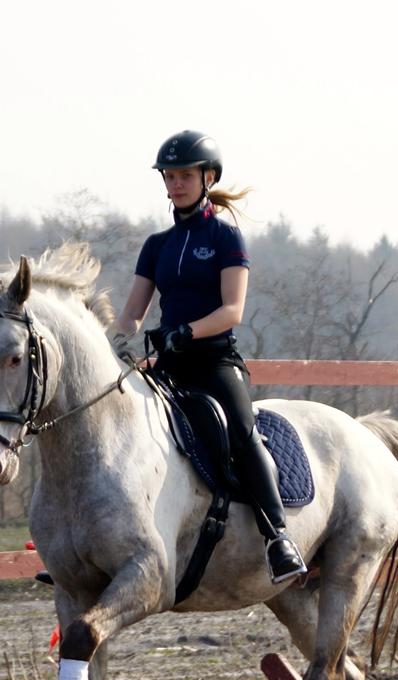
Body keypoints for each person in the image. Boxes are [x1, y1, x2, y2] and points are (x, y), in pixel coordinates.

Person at [110, 130, 307, 584]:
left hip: (214, 362)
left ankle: (278, 537)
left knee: (240, 433)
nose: (175, 184)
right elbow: (132, 315)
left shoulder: (224, 236)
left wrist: (186, 332)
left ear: (208, 177)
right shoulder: (156, 245)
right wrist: (114, 343)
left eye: (184, 175)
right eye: (170, 176)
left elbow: (232, 310)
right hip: (168, 366)